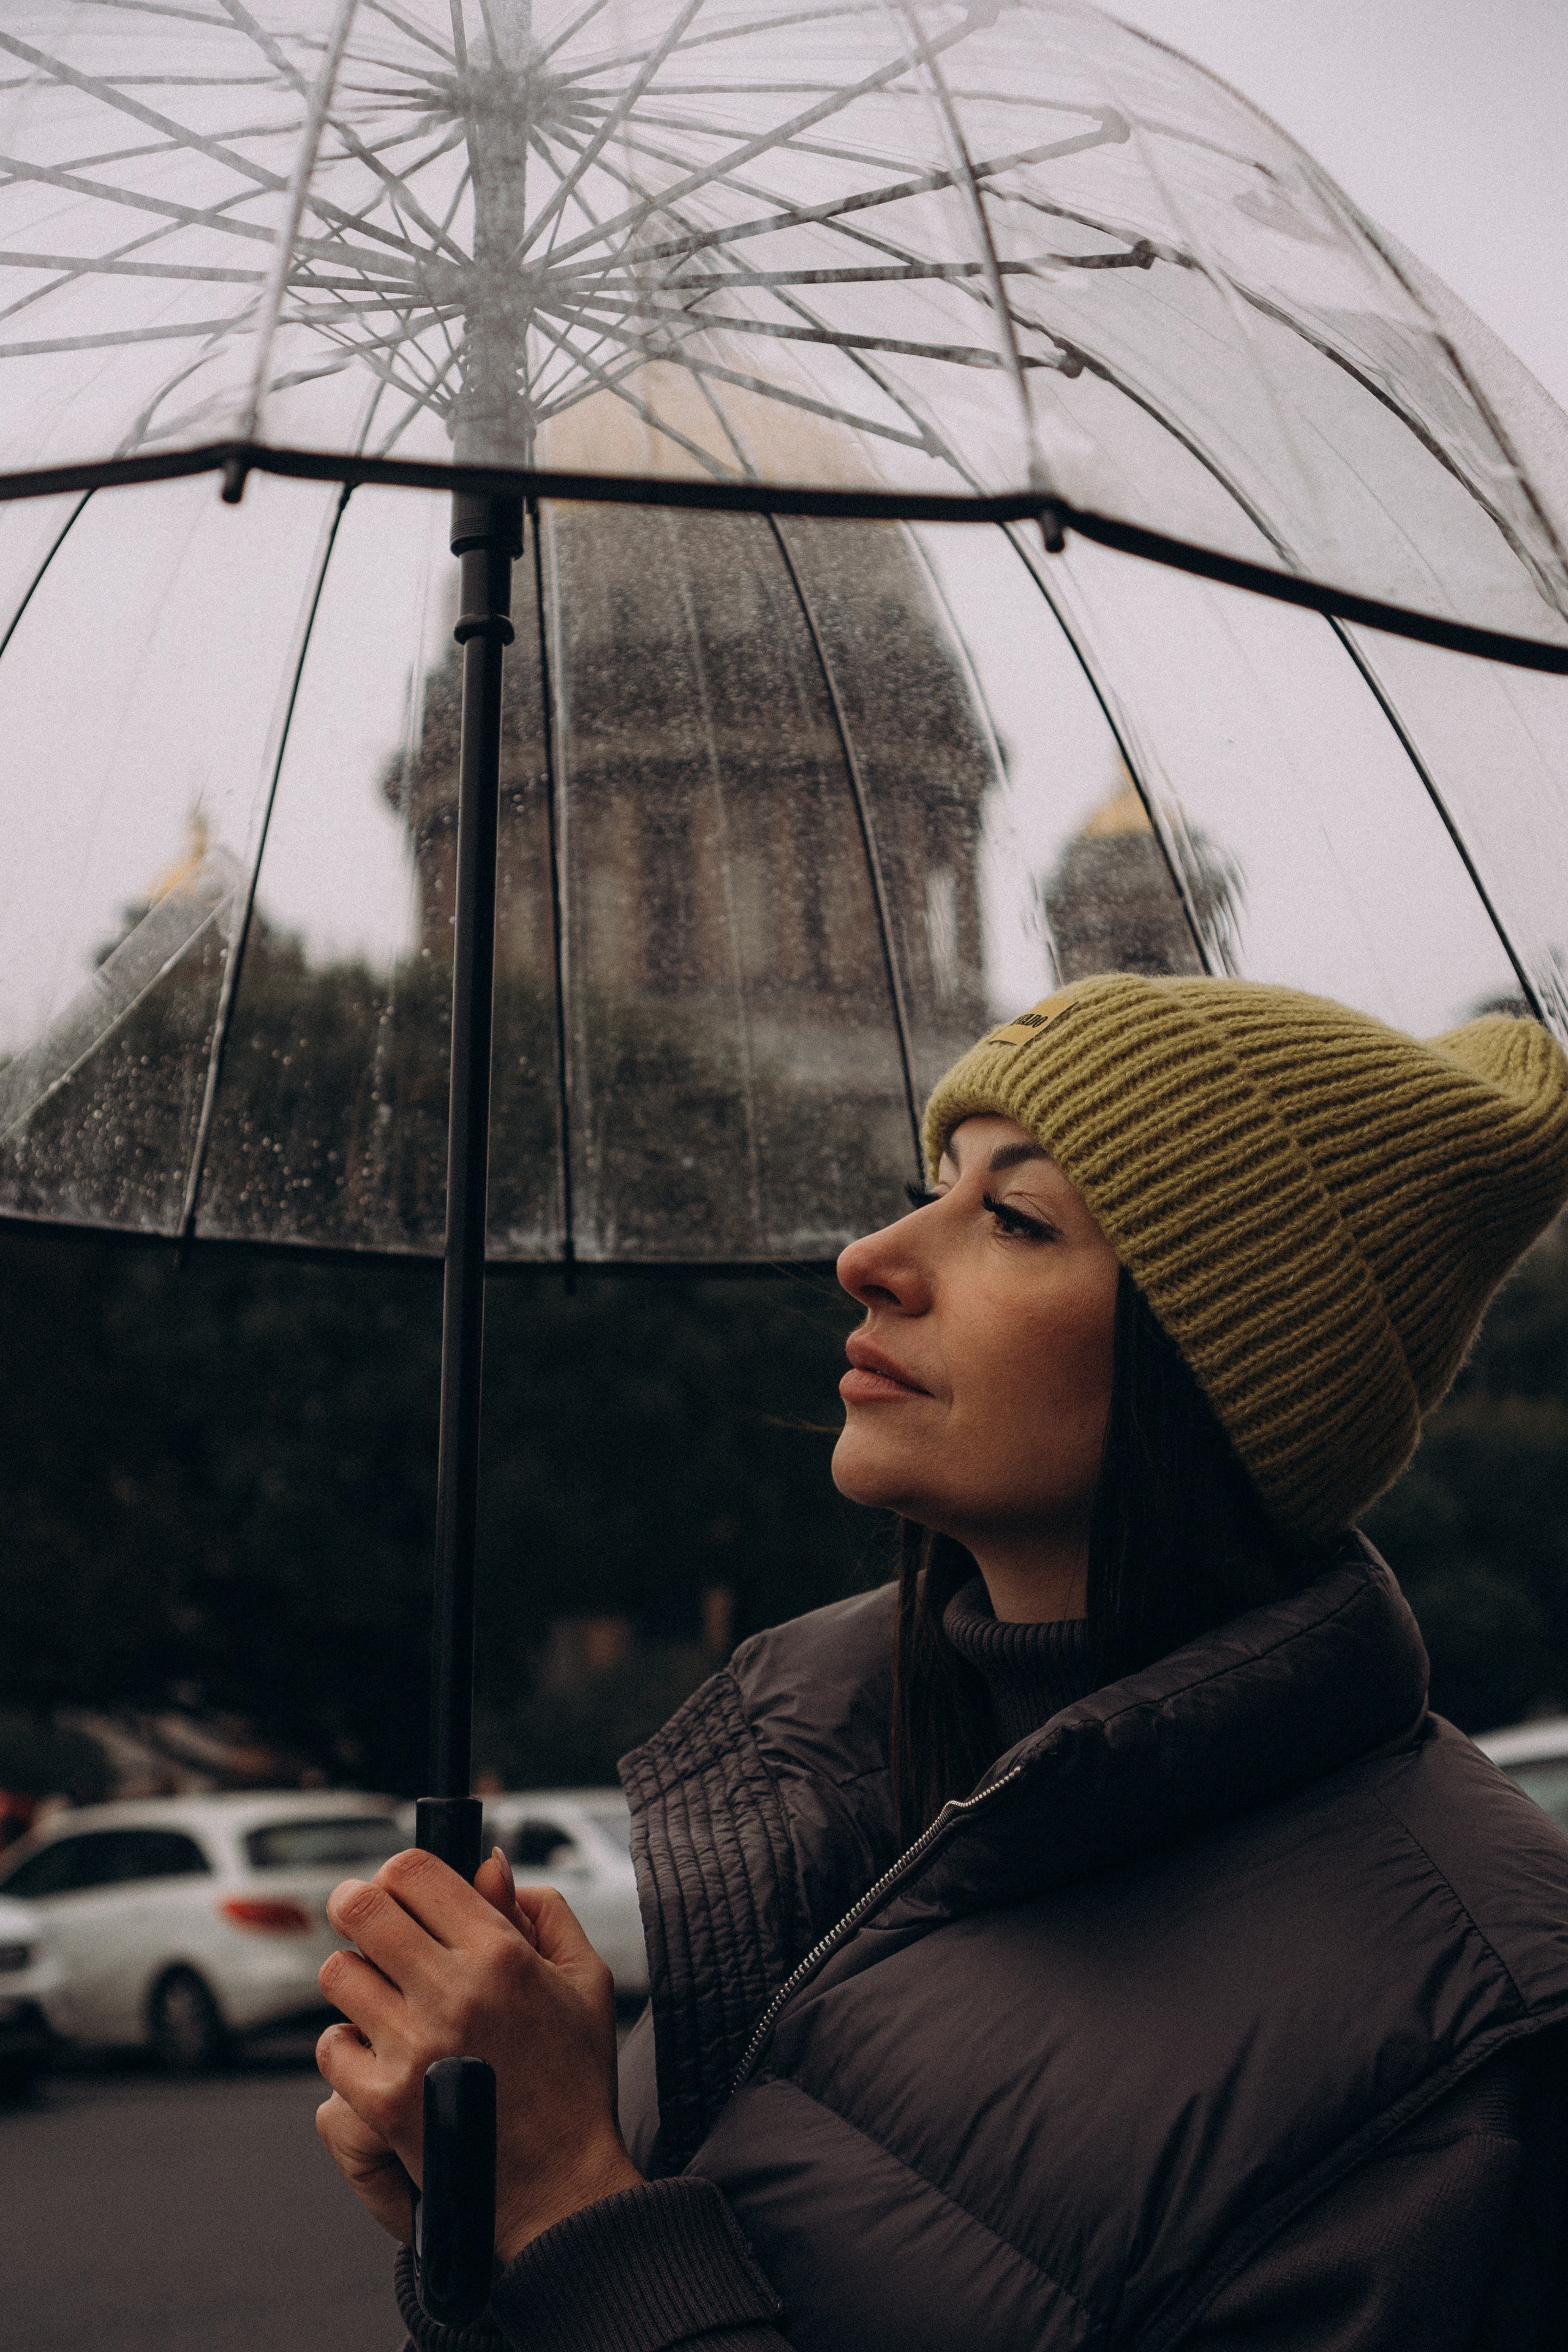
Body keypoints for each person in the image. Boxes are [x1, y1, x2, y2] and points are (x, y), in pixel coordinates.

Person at [315, 975, 1568, 2352]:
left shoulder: (1475, 2040)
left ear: (1226, 1373)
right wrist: (483, 2239)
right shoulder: (827, 1782)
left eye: (1014, 1219)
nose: (871, 1254)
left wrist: (567, 2206)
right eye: (932, 1184)